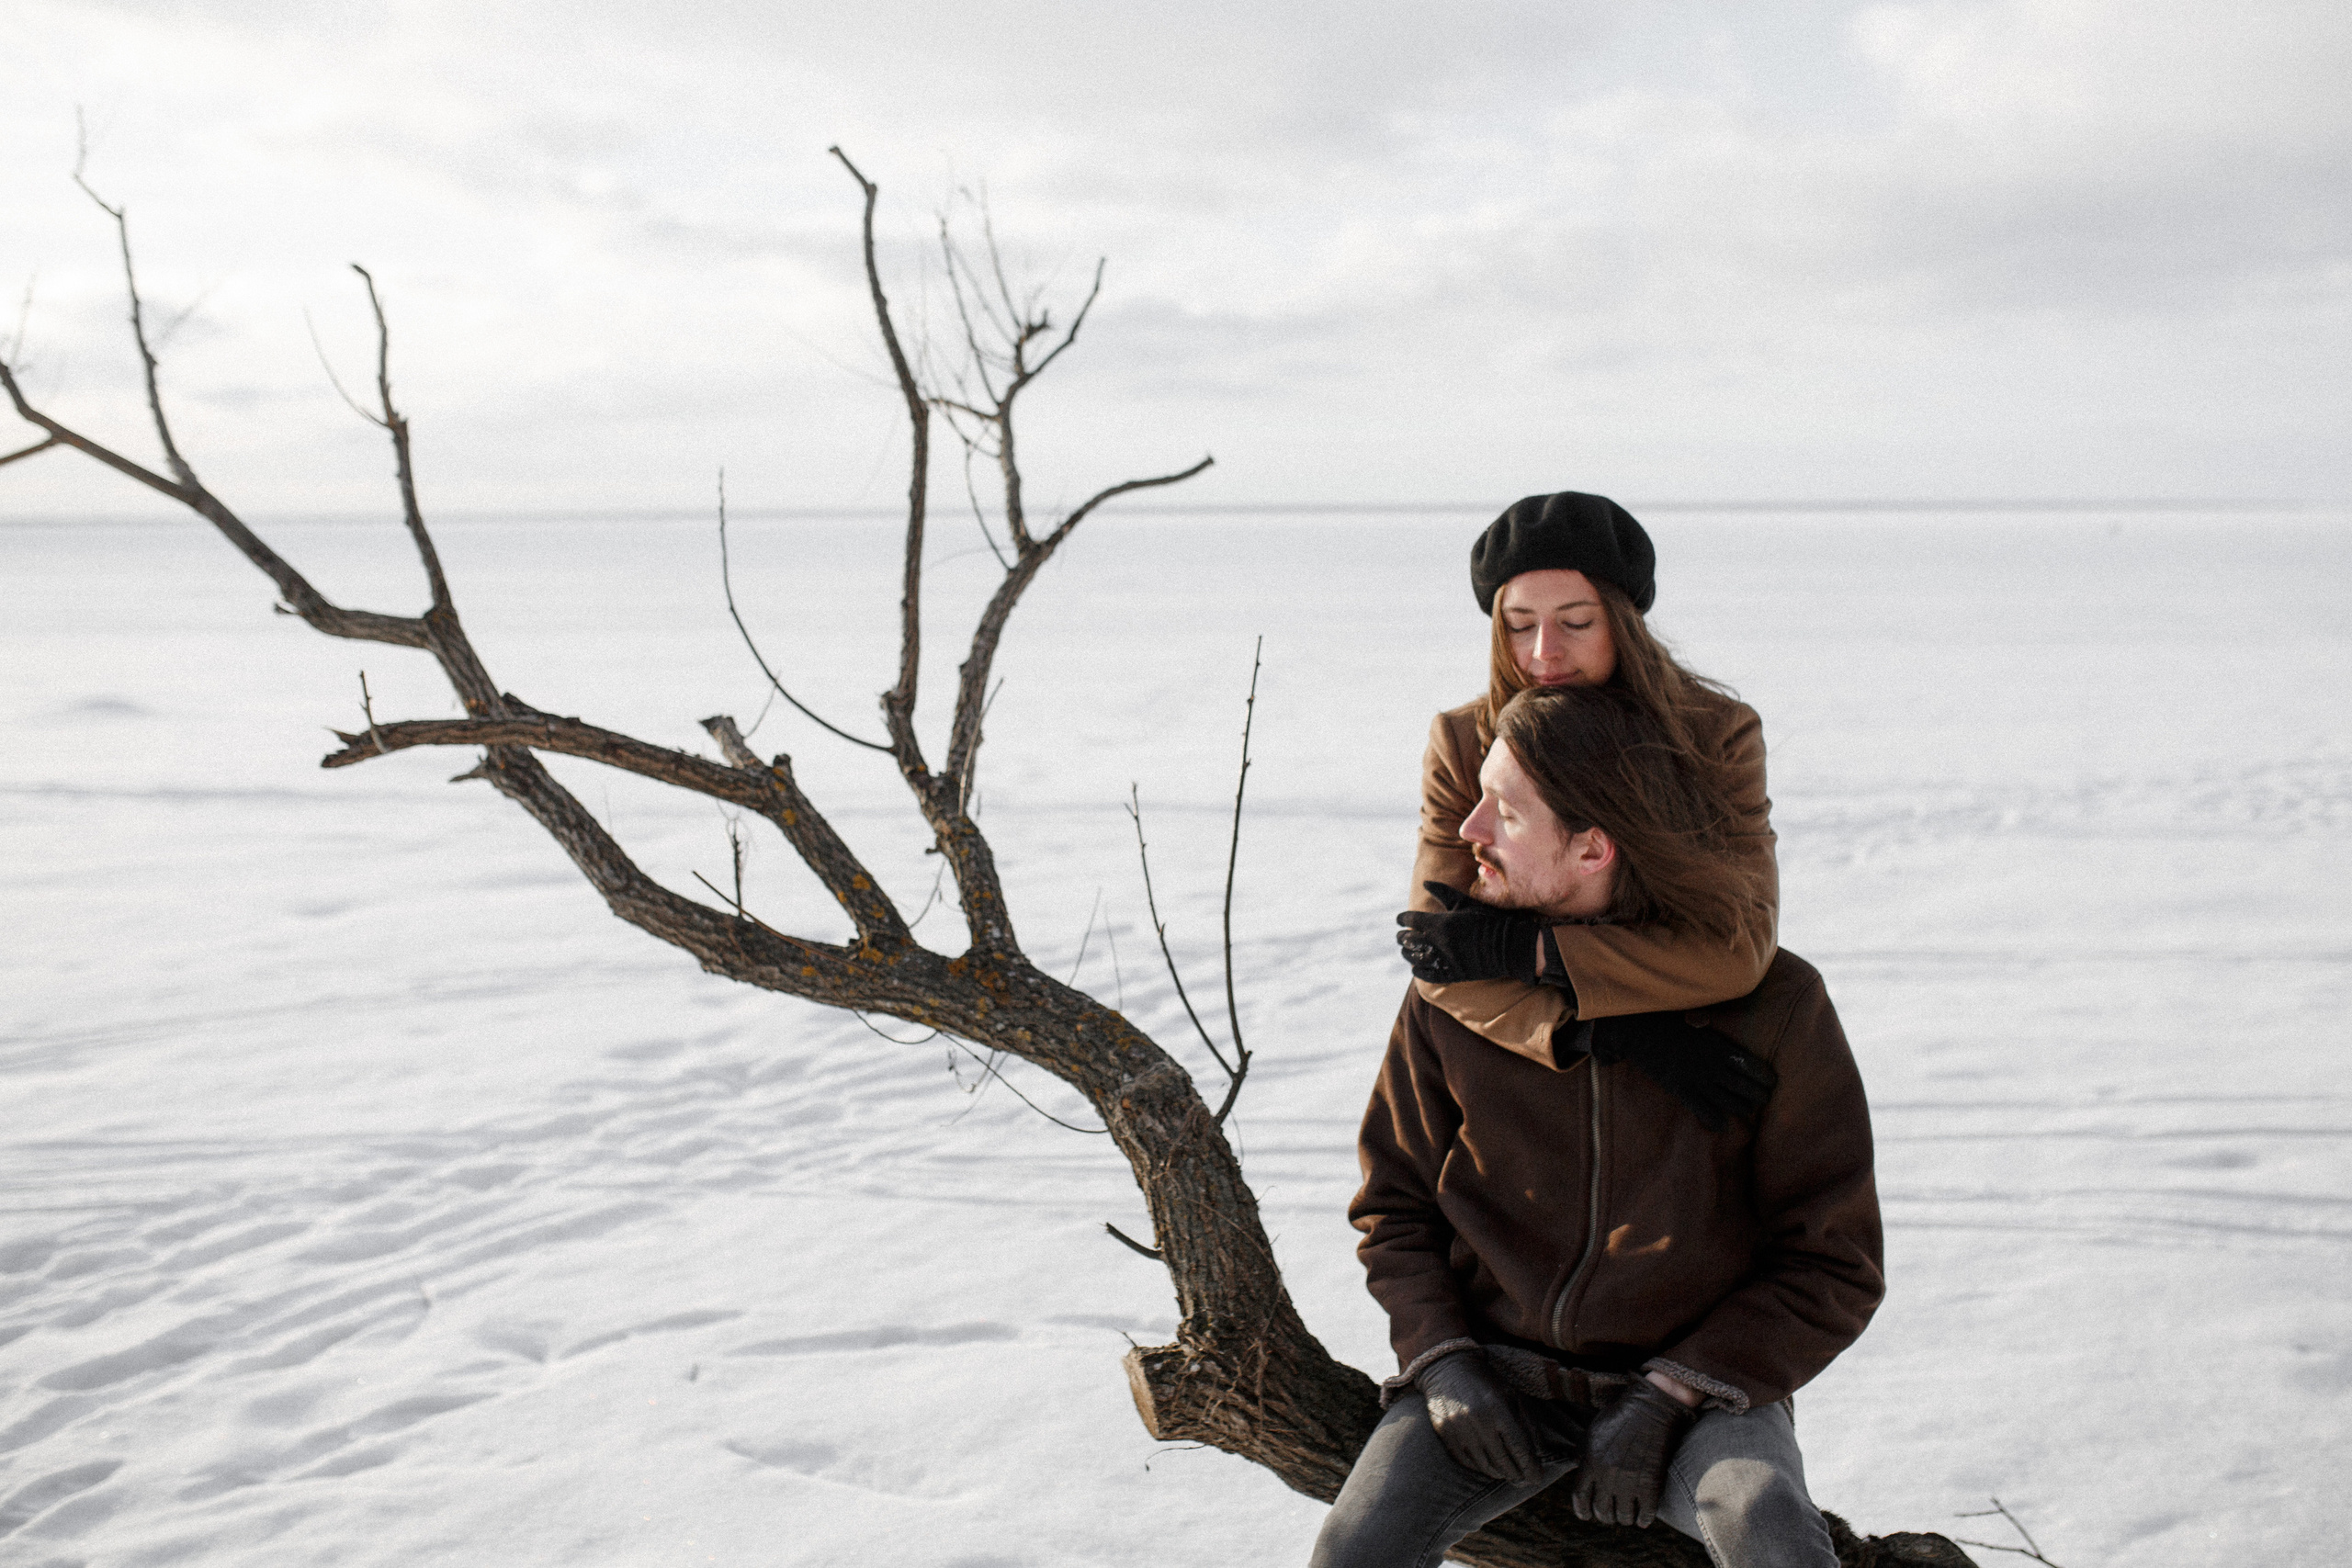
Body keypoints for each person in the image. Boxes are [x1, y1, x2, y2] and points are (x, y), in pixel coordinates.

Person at [1317, 682, 1883, 1568]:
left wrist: (1670, 1392)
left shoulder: (1779, 1005)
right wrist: (1443, 1360)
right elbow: (1394, 1206)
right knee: (1355, 1549)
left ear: (1593, 846)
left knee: (1767, 1525)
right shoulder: (1458, 995)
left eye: (1503, 811)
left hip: (1702, 1395)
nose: (1470, 831)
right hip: (1495, 1375)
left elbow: (1833, 1260)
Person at [1396, 491, 1778, 1064]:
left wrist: (1534, 953)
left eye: (1577, 621)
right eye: (1520, 626)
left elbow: (1740, 947)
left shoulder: (1716, 737)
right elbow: (1437, 954)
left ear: (1623, 624)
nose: (1545, 653)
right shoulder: (1463, 743)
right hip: (1513, 1068)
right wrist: (1588, 1033)